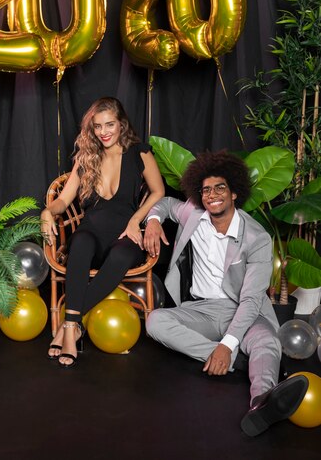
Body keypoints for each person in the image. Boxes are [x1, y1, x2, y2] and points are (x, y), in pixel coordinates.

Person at [143, 150, 309, 436]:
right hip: (202, 310)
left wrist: (228, 342)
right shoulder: (194, 215)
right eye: (206, 190)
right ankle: (239, 362)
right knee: (155, 321)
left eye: (220, 188)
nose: (212, 195)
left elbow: (250, 299)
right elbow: (167, 203)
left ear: (234, 193)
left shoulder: (256, 237)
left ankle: (262, 401)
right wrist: (153, 221)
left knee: (267, 340)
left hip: (243, 310)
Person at [41, 97, 164, 368]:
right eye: (98, 126)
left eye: (109, 124)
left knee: (120, 258)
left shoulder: (139, 152)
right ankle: (74, 327)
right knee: (81, 243)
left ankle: (68, 326)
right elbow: (64, 200)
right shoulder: (87, 158)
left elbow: (158, 191)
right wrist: (47, 212)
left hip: (124, 236)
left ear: (121, 124)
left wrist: (136, 220)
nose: (104, 132)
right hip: (92, 234)